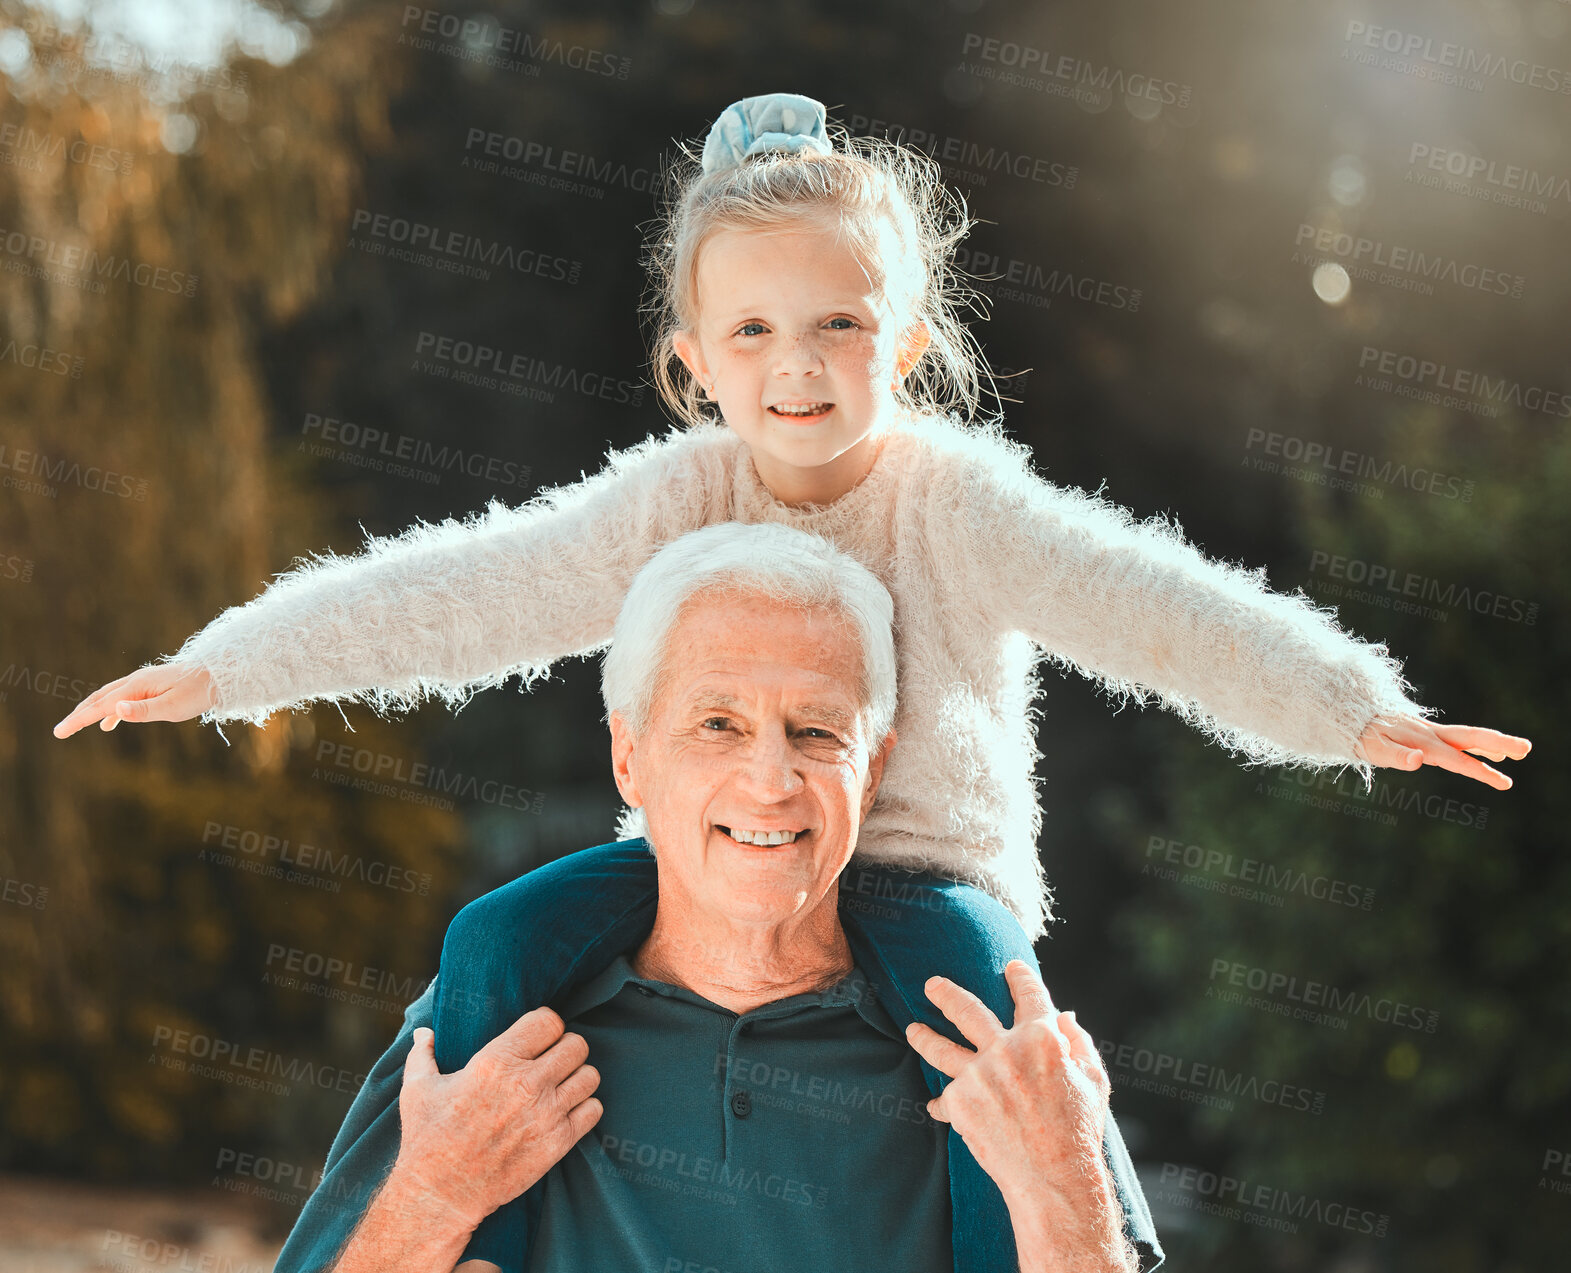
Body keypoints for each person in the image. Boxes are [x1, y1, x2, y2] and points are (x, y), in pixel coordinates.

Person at [52, 91, 1529, 934]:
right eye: (749, 336)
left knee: (989, 1047)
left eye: (834, 326)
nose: (795, 367)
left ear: (900, 344)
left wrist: (1348, 706)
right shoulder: (673, 496)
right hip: (710, 865)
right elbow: (458, 591)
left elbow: (1148, 603)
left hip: (913, 872)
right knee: (497, 946)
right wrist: (226, 665)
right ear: (691, 364)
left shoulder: (955, 505)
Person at [277, 520, 1160, 1273]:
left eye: (815, 731)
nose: (770, 779)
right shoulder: (489, 1022)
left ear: (874, 767)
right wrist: (435, 1192)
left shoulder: (1001, 1052)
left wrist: (1066, 1192)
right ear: (630, 755)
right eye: (718, 724)